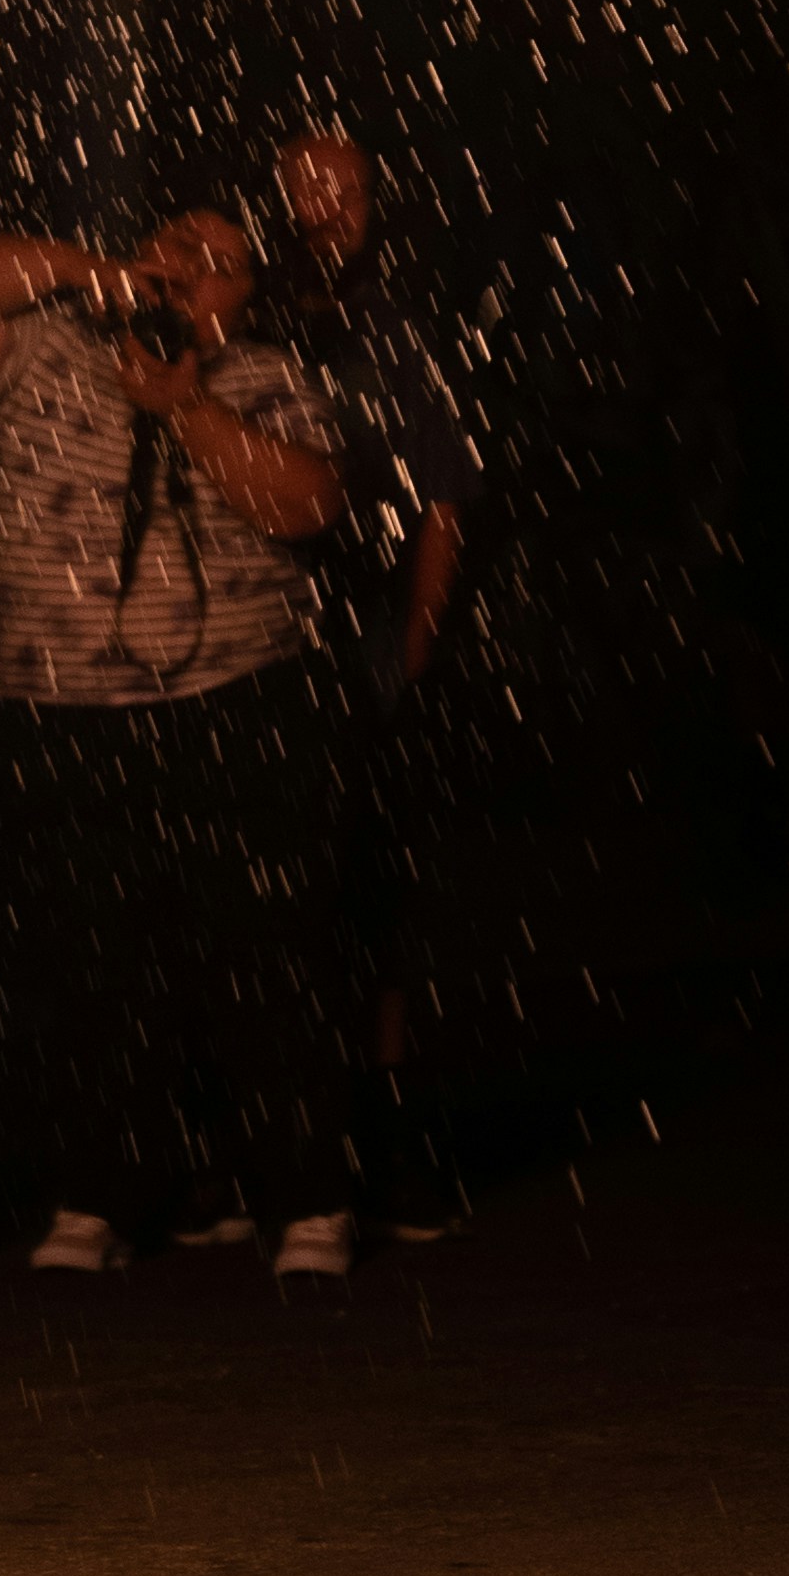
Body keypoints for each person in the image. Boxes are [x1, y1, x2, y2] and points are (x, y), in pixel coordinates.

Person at [0, 192, 356, 1276]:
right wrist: (84, 269)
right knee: (90, 965)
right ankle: (100, 1195)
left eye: (219, 259)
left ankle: (305, 1199)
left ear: (249, 299)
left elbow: (307, 505)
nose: (188, 263)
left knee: (262, 958)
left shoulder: (269, 376)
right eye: (177, 240)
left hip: (236, 706)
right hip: (57, 708)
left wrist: (185, 406)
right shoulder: (36, 343)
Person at [265, 122, 486, 1227]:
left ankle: (387, 1143)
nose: (325, 211)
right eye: (308, 190)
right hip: (262, 647)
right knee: (284, 904)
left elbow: (444, 496)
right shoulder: (253, 320)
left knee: (376, 901)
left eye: (345, 193)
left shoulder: (395, 330)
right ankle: (288, 1145)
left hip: (361, 642)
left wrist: (412, 647)